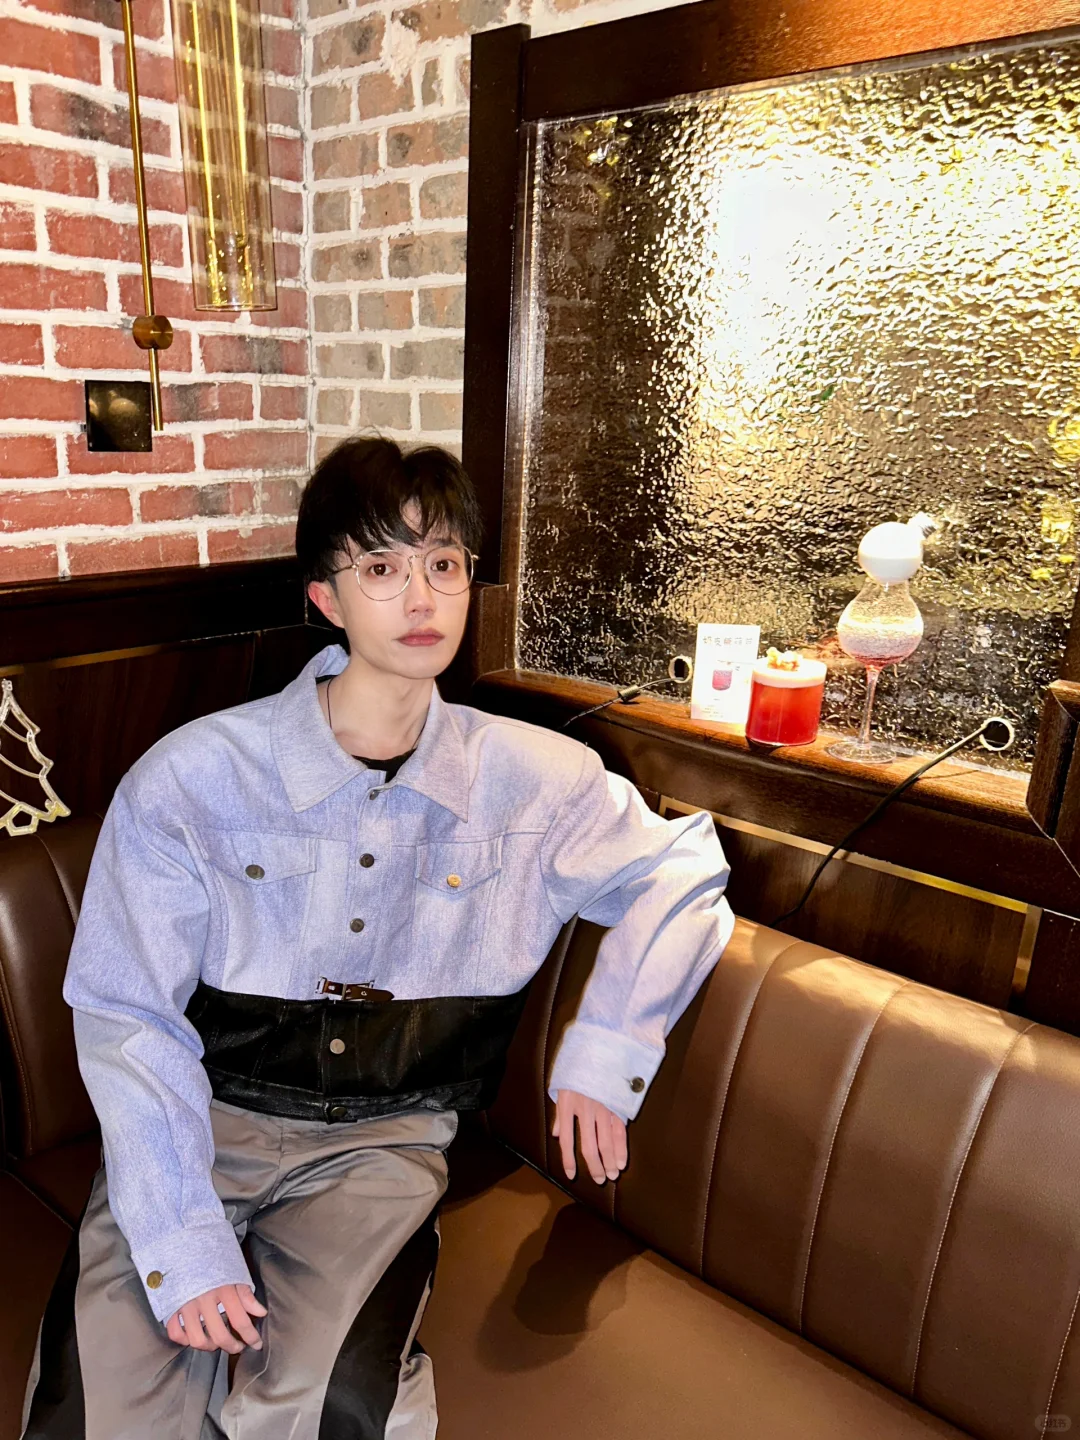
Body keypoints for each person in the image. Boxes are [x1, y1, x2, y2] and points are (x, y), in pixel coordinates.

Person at [21, 437, 734, 1440]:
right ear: (326, 596)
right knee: (98, 1417)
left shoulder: (536, 778)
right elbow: (126, 1010)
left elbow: (684, 866)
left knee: (325, 1414)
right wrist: (180, 1236)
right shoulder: (192, 778)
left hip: (384, 1145)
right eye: (383, 568)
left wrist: (609, 1049)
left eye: (444, 564)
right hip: (200, 1123)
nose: (421, 597)